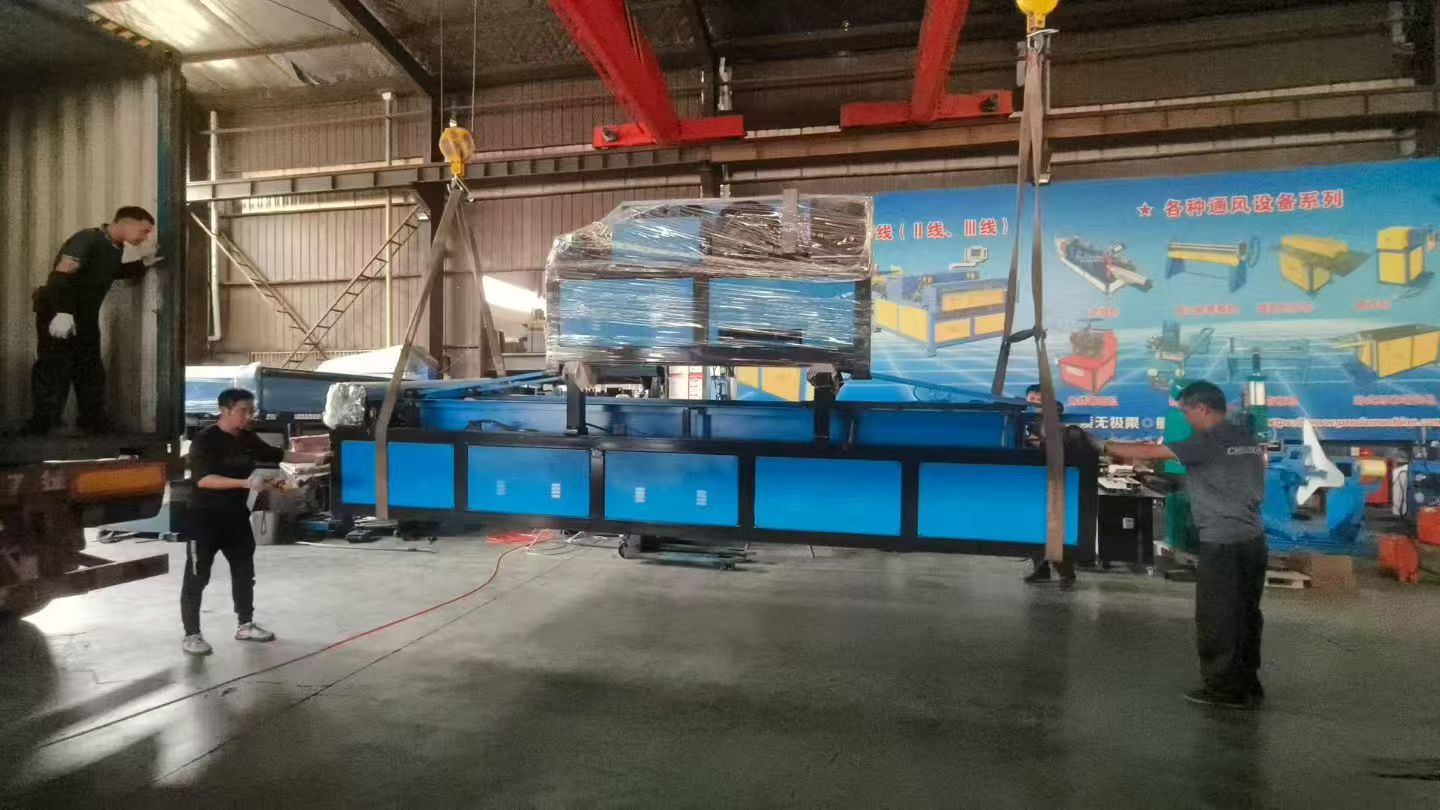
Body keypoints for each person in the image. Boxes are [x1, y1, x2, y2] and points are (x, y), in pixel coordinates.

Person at [1099, 381, 1267, 709]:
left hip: (1222, 542)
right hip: (1253, 539)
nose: (1187, 419)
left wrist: (1101, 444)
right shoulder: (1244, 438)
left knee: (1217, 617)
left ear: (1202, 408)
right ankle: (1247, 682)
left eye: (1187, 412)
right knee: (1247, 613)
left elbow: (1150, 453)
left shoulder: (1206, 440)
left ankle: (1223, 690)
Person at [182, 388, 326, 656]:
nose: (249, 416)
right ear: (224, 410)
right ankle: (192, 634)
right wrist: (246, 483)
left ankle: (245, 625)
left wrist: (319, 459)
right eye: (243, 411)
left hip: (236, 516)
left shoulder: (247, 438)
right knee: (197, 576)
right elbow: (203, 480)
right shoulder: (205, 440)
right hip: (204, 519)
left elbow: (279, 455)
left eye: (252, 411)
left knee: (244, 572)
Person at [26, 207, 162, 435]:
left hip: (85, 315)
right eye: (144, 230)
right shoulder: (88, 238)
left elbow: (107, 271)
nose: (146, 237)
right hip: (59, 311)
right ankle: (42, 425)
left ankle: (91, 421)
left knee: (89, 368)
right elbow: (60, 276)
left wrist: (143, 264)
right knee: (53, 365)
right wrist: (63, 312)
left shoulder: (114, 247)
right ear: (127, 223)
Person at [1021, 383, 1077, 588]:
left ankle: (1066, 574)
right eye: (1031, 400)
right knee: (1035, 528)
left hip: (1054, 482)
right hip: (1030, 482)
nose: (1035, 404)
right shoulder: (1021, 422)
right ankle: (1041, 569)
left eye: (1039, 401)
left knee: (1056, 531)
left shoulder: (1055, 424)